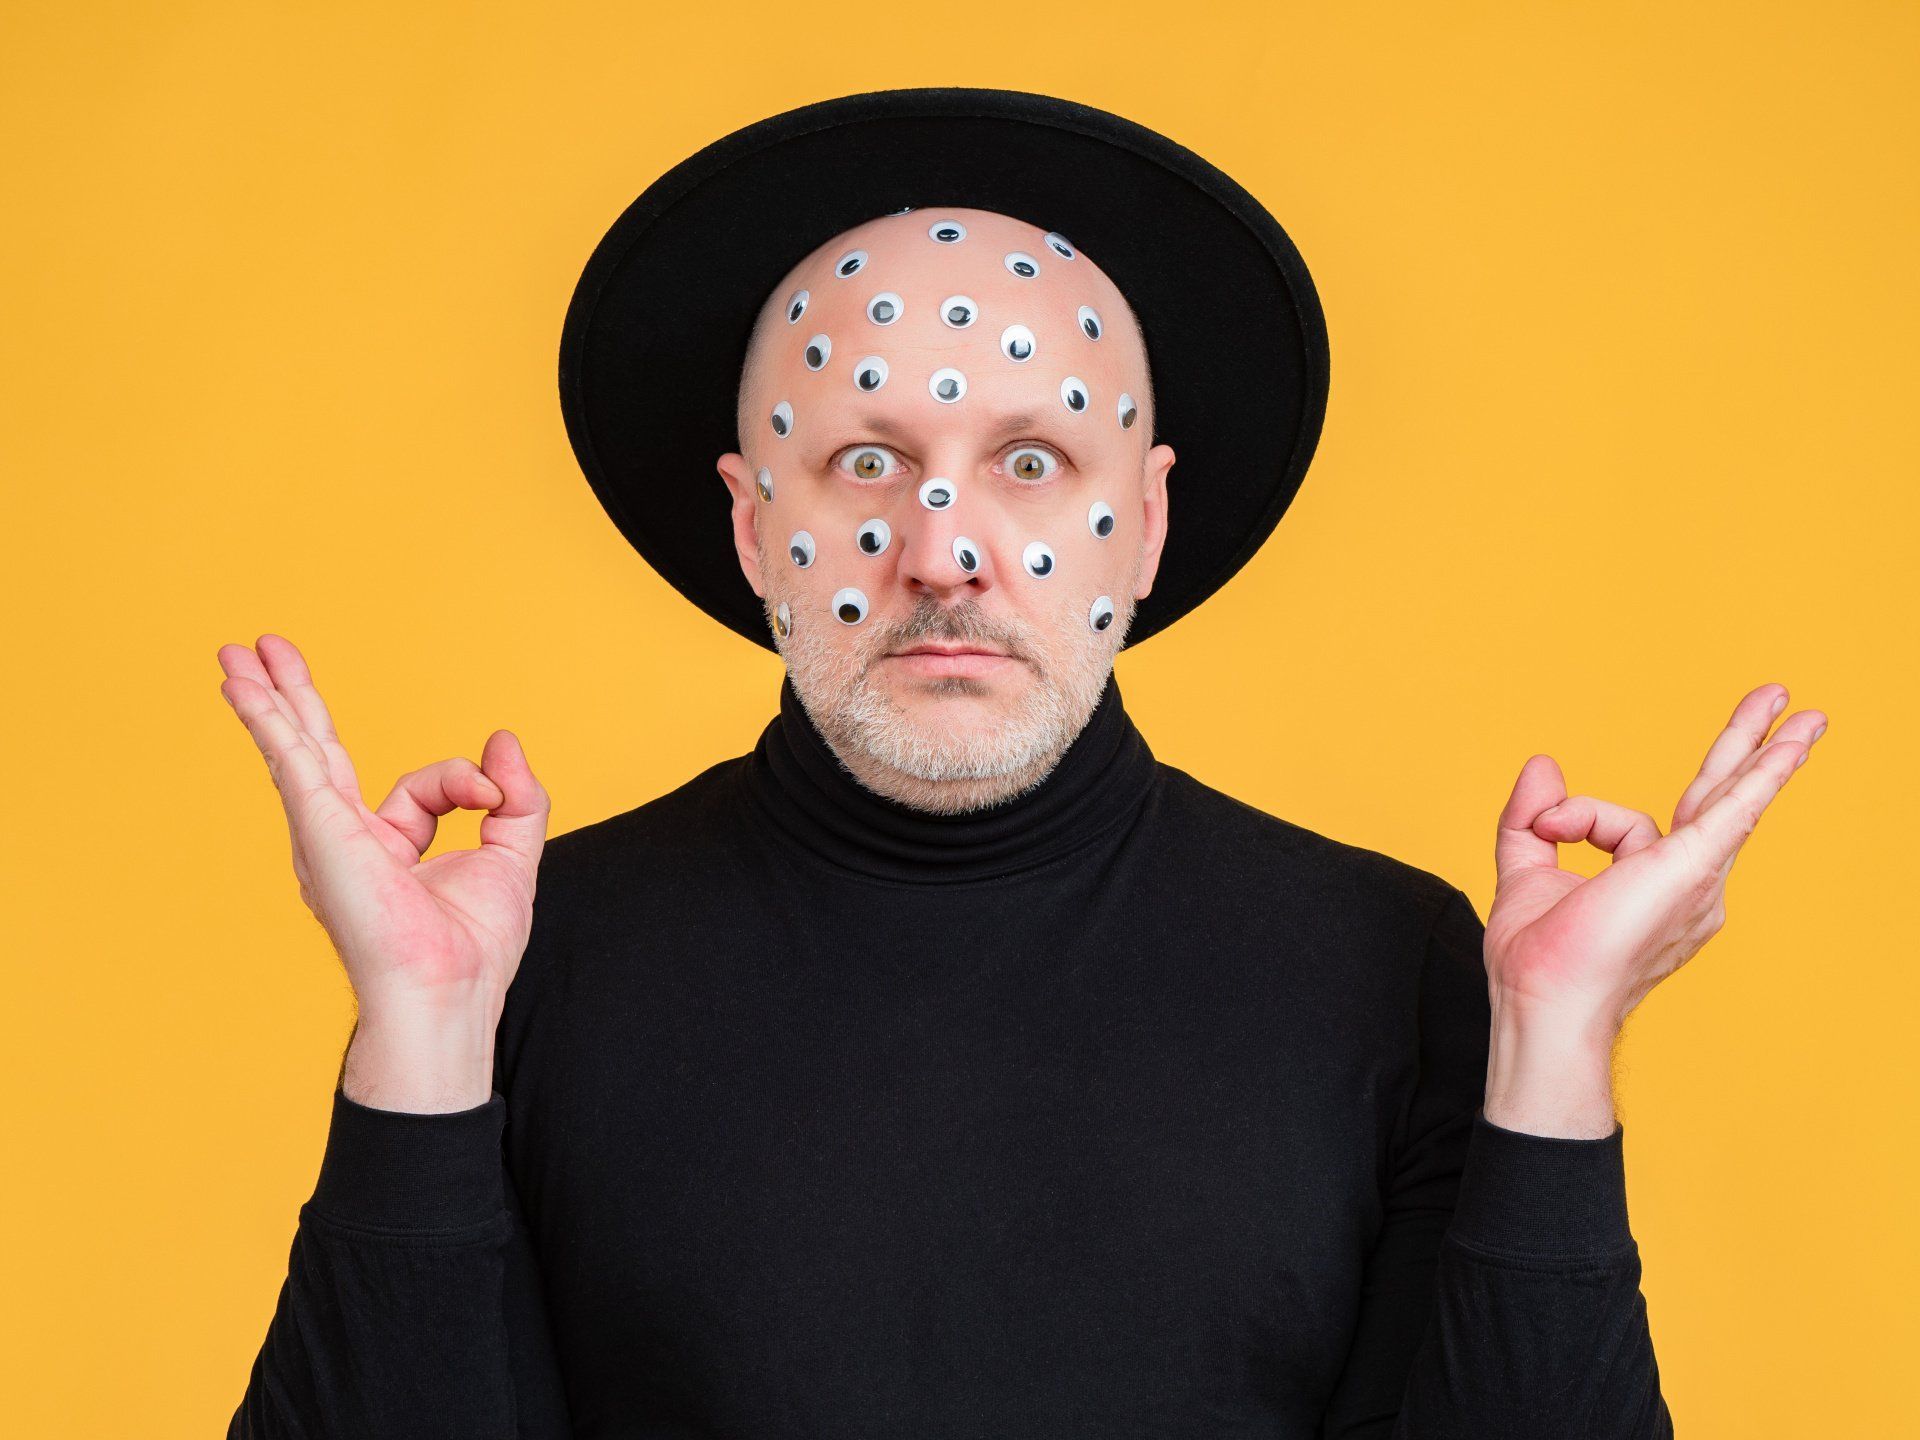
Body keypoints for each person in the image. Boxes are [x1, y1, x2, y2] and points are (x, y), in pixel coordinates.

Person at [219, 90, 1824, 1438]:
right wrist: (423, 1043)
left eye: (1033, 462)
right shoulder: (520, 966)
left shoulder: (1397, 972)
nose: (943, 551)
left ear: (1152, 519)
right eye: (865, 461)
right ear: (749, 526)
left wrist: (1551, 1056)